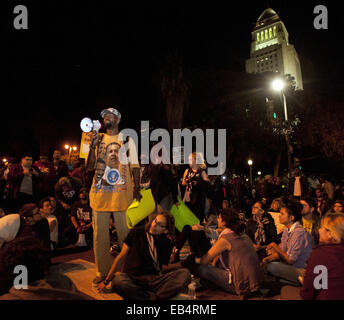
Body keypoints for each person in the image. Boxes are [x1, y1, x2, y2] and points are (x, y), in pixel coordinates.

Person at [86, 107, 142, 286]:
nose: (108, 118)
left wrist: (137, 188)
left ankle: (126, 270)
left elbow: (135, 166)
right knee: (99, 237)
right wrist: (91, 148)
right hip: (99, 195)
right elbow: (89, 167)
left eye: (111, 115)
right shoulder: (97, 138)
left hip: (121, 195)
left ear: (118, 120)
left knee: (125, 236)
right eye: (105, 116)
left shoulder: (127, 138)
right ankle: (102, 271)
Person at [96, 211, 191, 300]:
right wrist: (106, 281)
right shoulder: (137, 232)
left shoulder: (166, 242)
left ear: (165, 230)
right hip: (132, 278)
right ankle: (153, 297)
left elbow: (162, 268)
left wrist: (180, 264)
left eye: (159, 225)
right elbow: (121, 256)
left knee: (185, 274)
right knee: (118, 281)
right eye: (155, 221)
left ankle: (145, 296)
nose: (154, 225)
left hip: (153, 280)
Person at [184, 208, 263, 299]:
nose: (217, 220)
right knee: (214, 268)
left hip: (242, 285)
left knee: (200, 268)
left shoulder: (226, 239)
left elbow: (204, 260)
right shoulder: (241, 234)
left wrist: (191, 260)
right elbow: (215, 233)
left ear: (224, 222)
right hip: (256, 282)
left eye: (219, 218)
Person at [262, 202, 313, 284]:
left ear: (291, 218)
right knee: (266, 261)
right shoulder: (287, 229)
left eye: (282, 214)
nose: (279, 216)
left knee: (272, 267)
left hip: (302, 269)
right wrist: (267, 259)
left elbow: (290, 260)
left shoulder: (299, 232)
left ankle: (296, 282)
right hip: (292, 266)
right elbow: (282, 251)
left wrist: (274, 246)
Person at [300, 213, 344, 300]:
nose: (319, 230)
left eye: (321, 227)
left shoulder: (321, 254)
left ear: (330, 233)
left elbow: (311, 289)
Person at [182, 152, 211, 222]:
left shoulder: (201, 172)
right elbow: (183, 183)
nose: (188, 161)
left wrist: (198, 182)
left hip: (198, 200)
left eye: (190, 159)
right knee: (187, 219)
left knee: (197, 219)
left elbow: (207, 183)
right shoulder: (187, 171)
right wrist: (189, 181)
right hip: (187, 198)